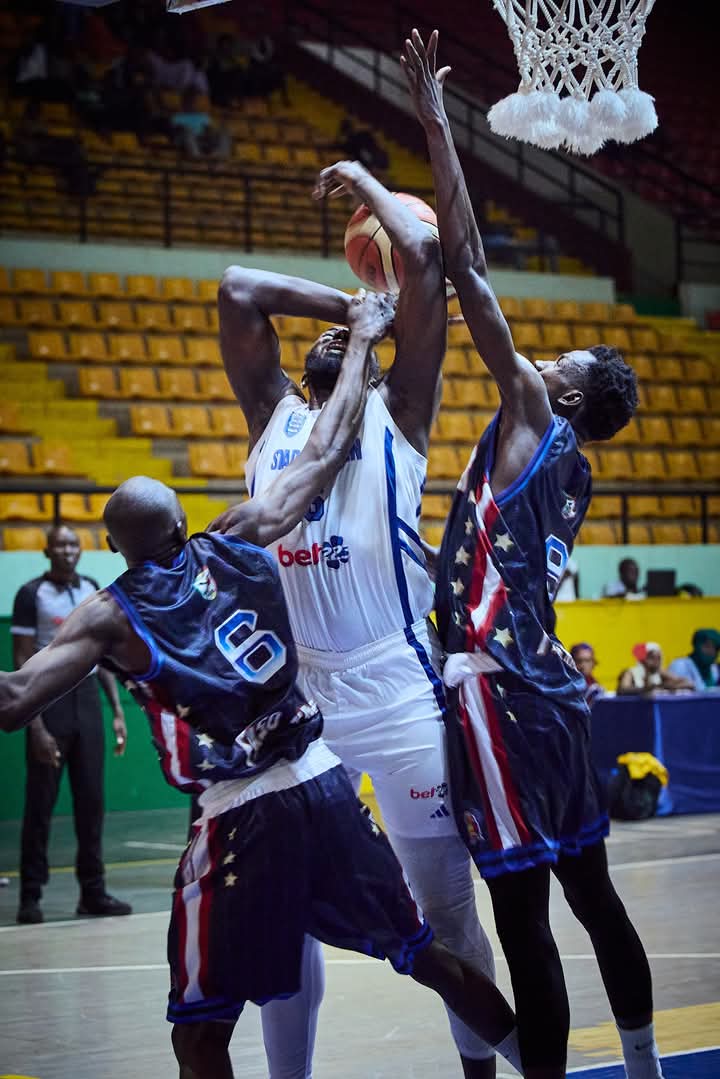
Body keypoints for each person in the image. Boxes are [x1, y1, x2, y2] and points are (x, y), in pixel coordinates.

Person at [0, 293, 521, 1079]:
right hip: (321, 776)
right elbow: (319, 459)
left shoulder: (109, 614)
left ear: (113, 549)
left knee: (201, 1029)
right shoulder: (234, 536)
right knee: (427, 954)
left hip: (243, 807)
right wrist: (363, 342)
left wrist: (359, 341)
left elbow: (12, 698)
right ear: (183, 528)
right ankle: (535, 1061)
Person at [402, 28, 664, 1079]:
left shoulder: (528, 408)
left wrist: (436, 126)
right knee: (594, 894)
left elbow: (467, 264)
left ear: (570, 390)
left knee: (525, 919)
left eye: (566, 356)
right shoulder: (576, 468)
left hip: (502, 692)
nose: (545, 352)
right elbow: (489, 551)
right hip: (552, 691)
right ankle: (643, 1064)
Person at [217, 156, 508, 1079]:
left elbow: (424, 253)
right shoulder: (272, 418)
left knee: (448, 910)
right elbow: (236, 287)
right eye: (333, 340)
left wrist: (369, 193)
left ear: (378, 363)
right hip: (304, 701)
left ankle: (483, 1072)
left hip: (396, 689)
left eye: (361, 341)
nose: (341, 345)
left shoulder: (401, 412)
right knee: (286, 916)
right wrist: (350, 307)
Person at [11, 524, 131, 925]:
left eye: (73, 544)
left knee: (91, 803)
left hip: (87, 707)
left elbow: (103, 659)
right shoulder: (31, 595)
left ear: (81, 551)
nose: (67, 550)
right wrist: (36, 726)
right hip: (48, 704)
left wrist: (116, 711)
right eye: (59, 544)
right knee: (40, 805)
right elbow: (21, 662)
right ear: (46, 550)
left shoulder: (93, 587)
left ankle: (92, 892)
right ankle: (30, 895)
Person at [617, 642, 695, 696]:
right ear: (643, 659)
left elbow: (688, 683)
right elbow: (623, 689)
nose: (656, 661)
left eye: (658, 658)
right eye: (652, 658)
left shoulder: (660, 671)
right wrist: (645, 690)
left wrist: (664, 687)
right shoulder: (631, 672)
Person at [570, 643, 604, 707]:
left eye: (587, 661)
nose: (583, 666)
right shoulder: (563, 687)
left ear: (593, 663)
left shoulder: (596, 690)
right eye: (579, 661)